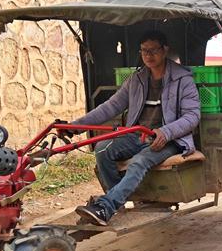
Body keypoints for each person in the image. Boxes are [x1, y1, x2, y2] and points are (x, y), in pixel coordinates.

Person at [70, 30, 201, 226]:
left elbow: (192, 116)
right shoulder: (136, 79)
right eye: (144, 51)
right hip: (138, 135)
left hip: (170, 139)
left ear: (165, 50)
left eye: (153, 50)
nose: (148, 55)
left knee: (139, 161)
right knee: (102, 149)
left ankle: (107, 206)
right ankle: (116, 203)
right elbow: (111, 106)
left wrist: (166, 132)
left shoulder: (183, 79)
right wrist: (75, 126)